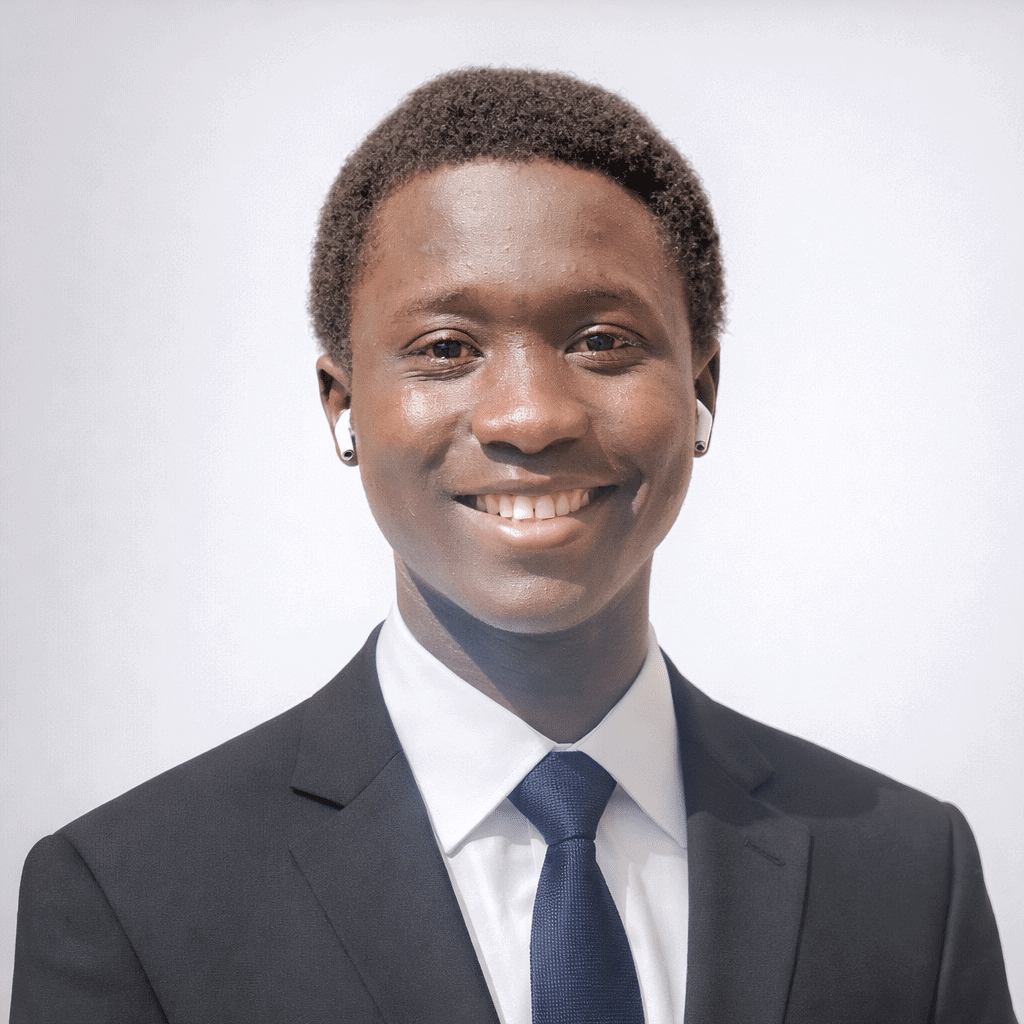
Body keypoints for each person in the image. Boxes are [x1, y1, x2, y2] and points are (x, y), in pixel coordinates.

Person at [11, 67, 1015, 1024]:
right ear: (343, 403)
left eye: (602, 340)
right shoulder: (131, 900)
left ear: (701, 389)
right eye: (447, 348)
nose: (531, 416)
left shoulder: (905, 876)